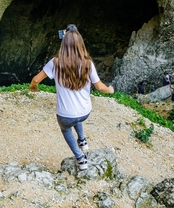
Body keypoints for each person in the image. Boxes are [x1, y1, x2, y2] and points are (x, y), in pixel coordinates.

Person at [29, 24, 114, 170]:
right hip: (85, 112)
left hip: (65, 116)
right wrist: (110, 90)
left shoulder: (55, 63)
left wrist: (33, 87)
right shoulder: (88, 63)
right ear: (81, 44)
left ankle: (80, 159)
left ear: (63, 44)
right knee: (76, 117)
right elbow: (100, 87)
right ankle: (82, 141)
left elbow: (36, 79)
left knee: (66, 127)